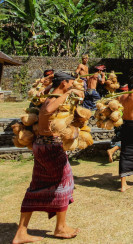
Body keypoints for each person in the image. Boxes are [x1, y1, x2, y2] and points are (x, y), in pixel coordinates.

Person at [13, 72, 84, 244]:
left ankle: (22, 232)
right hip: (50, 147)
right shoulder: (53, 98)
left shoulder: (51, 95)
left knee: (37, 186)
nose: (72, 86)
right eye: (70, 83)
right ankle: (60, 228)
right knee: (65, 182)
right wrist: (66, 94)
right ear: (64, 83)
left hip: (43, 145)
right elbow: (46, 111)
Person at [106, 84, 128, 163]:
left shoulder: (115, 99)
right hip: (122, 122)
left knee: (123, 138)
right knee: (128, 139)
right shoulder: (124, 98)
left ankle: (119, 153)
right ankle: (112, 150)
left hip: (116, 123)